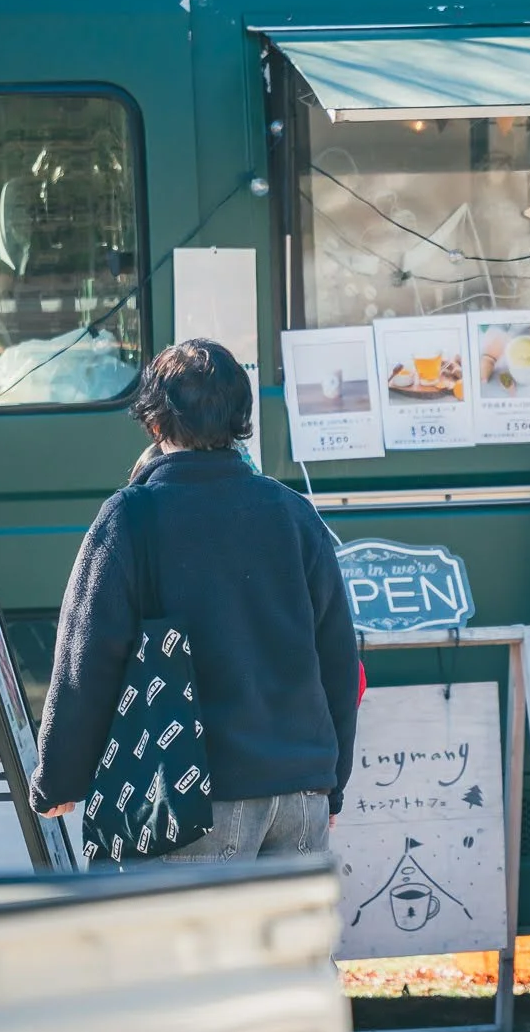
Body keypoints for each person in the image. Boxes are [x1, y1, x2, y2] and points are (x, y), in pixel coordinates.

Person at [32, 339, 360, 862]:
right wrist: (331, 782)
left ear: (156, 423)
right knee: (292, 948)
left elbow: (86, 660)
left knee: (194, 948)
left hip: (193, 796)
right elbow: (340, 660)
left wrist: (59, 778)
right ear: (239, 418)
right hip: (302, 795)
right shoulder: (292, 514)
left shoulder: (132, 517)